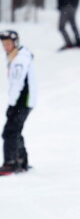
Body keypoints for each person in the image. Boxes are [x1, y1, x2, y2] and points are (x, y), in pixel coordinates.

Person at [0, 31, 37, 175]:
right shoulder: (17, 56)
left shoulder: (19, 59)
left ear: (15, 43)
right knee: (15, 130)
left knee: (10, 131)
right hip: (23, 100)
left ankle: (10, 163)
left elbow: (17, 83)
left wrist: (11, 104)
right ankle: (21, 161)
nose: (6, 47)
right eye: (3, 44)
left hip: (22, 101)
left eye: (8, 44)